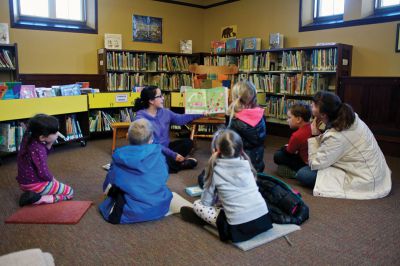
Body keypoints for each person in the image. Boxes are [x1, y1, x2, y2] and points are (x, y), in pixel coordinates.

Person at [296, 91, 392, 199]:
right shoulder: (349, 117)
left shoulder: (336, 136)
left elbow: (316, 164)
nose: (311, 106)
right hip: (373, 169)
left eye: (314, 105)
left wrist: (314, 135)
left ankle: (294, 170)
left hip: (365, 178)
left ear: (323, 114)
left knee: (303, 174)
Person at [181, 130, 272, 243]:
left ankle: (206, 220)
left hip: (239, 227)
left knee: (197, 205)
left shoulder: (215, 169)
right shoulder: (246, 163)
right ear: (240, 148)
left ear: (217, 150)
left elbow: (206, 202)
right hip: (264, 219)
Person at [99, 118, 172, 224]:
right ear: (151, 140)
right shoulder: (159, 154)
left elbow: (109, 183)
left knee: (113, 193)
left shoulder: (119, 157)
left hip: (131, 211)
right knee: (162, 188)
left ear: (127, 136)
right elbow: (163, 176)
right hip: (160, 207)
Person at [134, 86, 203, 173]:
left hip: (165, 148)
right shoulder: (141, 119)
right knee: (155, 159)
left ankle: (168, 165)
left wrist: (201, 113)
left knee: (188, 143)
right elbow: (154, 145)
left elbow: (180, 119)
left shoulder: (165, 112)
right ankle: (179, 165)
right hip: (151, 152)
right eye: (160, 96)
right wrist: (173, 155)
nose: (163, 98)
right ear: (151, 101)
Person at [16, 114, 74, 207]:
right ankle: (39, 199)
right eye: (55, 132)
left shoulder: (28, 136)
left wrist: (50, 140)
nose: (57, 133)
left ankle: (34, 193)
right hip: (34, 184)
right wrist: (54, 181)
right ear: (42, 137)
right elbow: (43, 172)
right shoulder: (39, 149)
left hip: (23, 182)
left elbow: (40, 158)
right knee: (69, 192)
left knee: (55, 187)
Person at [226, 80, 266, 172]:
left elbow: (228, 145)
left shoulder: (235, 121)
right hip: (257, 166)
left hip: (240, 167)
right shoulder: (261, 114)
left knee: (205, 176)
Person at [273, 102, 312, 178]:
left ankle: (295, 173)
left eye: (289, 117)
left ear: (298, 119)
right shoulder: (311, 127)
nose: (287, 120)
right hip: (309, 159)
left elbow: (289, 152)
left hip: (304, 163)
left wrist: (284, 148)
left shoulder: (297, 135)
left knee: (278, 155)